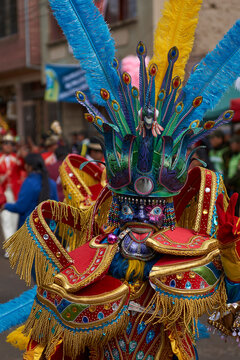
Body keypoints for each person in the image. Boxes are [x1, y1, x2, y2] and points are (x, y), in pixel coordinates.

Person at [3, 1, 240, 359]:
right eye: (131, 212)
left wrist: (231, 258)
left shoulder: (190, 256)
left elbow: (230, 316)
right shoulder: (94, 254)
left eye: (148, 215)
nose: (140, 226)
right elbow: (58, 325)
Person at [1, 153, 58, 228]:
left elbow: (20, 207)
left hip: (30, 230)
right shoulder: (52, 183)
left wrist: (5, 206)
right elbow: (56, 208)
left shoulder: (29, 182)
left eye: (25, 165)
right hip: (47, 229)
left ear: (30, 167)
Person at [0, 134, 24, 253]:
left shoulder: (17, 157)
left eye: (10, 143)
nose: (8, 145)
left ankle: (13, 246)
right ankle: (9, 249)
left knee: (14, 218)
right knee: (5, 218)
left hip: (15, 192)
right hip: (3, 192)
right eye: (6, 143)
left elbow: (23, 168)